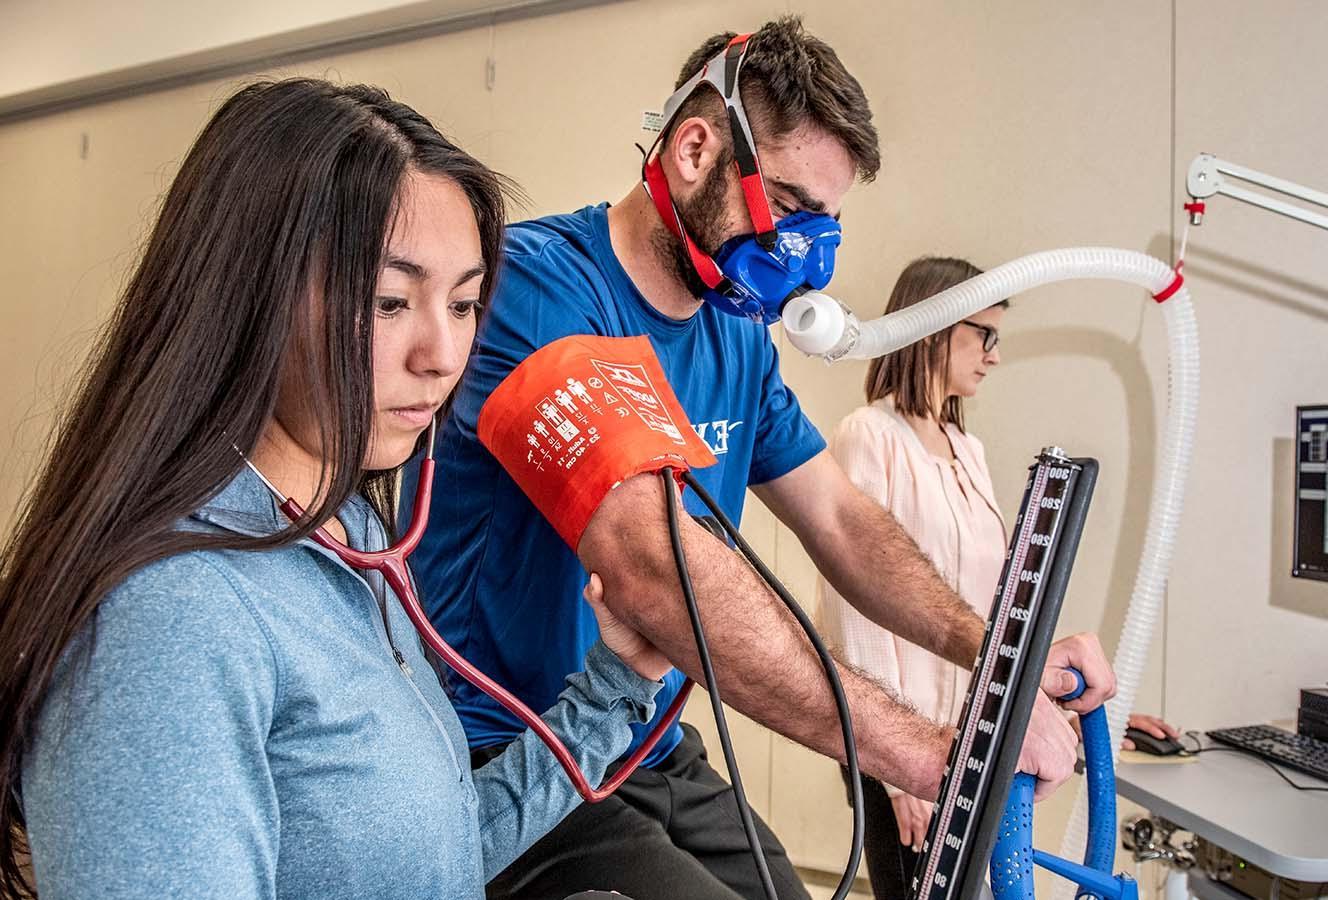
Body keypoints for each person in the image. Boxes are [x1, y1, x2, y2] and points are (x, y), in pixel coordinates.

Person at [405, 17, 1114, 900]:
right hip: (515, 752)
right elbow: (661, 575)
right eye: (794, 206)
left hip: (650, 741)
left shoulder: (735, 339)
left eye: (830, 220)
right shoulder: (541, 291)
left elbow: (842, 521)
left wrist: (997, 650)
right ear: (695, 150)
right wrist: (939, 757)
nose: (812, 251)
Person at [0, 79, 670, 900]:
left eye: (463, 305)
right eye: (391, 301)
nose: (441, 353)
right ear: (249, 294)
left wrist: (616, 688)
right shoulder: (171, 620)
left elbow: (429, 858)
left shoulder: (349, 528)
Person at [816, 257, 1180, 900]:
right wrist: (902, 773)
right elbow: (857, 615)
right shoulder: (870, 435)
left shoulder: (968, 450)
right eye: (983, 334)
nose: (994, 356)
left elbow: (992, 612)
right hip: (903, 747)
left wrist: (1071, 714)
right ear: (933, 328)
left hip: (975, 744)